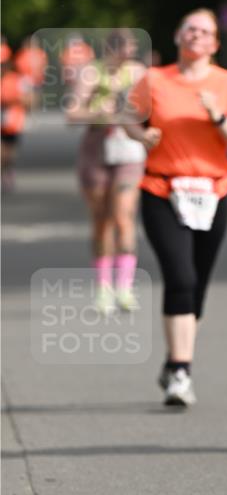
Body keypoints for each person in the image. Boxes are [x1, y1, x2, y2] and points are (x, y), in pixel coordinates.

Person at [127, 8, 227, 407]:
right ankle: (181, 370)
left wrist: (217, 115)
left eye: (205, 32)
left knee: (196, 284)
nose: (196, 36)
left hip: (212, 193)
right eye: (190, 29)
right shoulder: (154, 80)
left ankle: (172, 360)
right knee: (179, 276)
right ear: (178, 36)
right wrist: (141, 134)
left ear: (215, 43)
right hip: (161, 189)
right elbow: (129, 120)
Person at [65, 29, 147, 315]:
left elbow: (151, 109)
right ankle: (103, 288)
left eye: (132, 47)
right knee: (101, 220)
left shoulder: (138, 73)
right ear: (111, 49)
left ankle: (124, 287)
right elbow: (72, 114)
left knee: (124, 216)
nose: (129, 52)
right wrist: (101, 113)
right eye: (125, 47)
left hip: (128, 150)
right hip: (96, 148)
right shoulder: (91, 73)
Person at [1, 39, 31, 193]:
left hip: (12, 121)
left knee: (8, 153)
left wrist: (13, 100)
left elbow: (29, 100)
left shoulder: (18, 79)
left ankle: (7, 172)